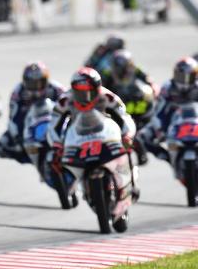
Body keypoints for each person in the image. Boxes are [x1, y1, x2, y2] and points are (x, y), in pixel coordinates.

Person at [48, 67, 138, 198]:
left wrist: (127, 135)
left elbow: (124, 117)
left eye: (90, 93)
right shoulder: (65, 101)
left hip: (104, 133)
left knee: (129, 147)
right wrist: (57, 145)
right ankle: (70, 187)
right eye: (80, 93)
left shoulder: (108, 97)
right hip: (77, 136)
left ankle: (132, 185)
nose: (86, 98)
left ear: (98, 89)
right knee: (53, 159)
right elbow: (53, 126)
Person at [0, 62, 65, 163]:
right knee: (0, 146)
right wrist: (18, 138)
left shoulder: (57, 89)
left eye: (39, 83)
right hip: (27, 123)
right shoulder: (18, 92)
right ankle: (27, 153)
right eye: (31, 84)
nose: (35, 87)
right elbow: (13, 116)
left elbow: (69, 106)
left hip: (52, 122)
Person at [101, 50, 157, 165]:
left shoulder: (135, 69)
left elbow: (148, 79)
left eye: (125, 67)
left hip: (133, 99)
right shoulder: (107, 73)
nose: (123, 71)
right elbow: (100, 88)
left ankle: (147, 125)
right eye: (119, 68)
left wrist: (153, 87)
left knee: (146, 97)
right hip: (117, 102)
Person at [138, 57, 198, 162]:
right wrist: (159, 129)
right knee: (142, 136)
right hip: (172, 120)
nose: (185, 81)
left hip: (194, 119)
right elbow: (159, 110)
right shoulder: (168, 88)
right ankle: (166, 156)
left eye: (189, 77)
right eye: (181, 77)